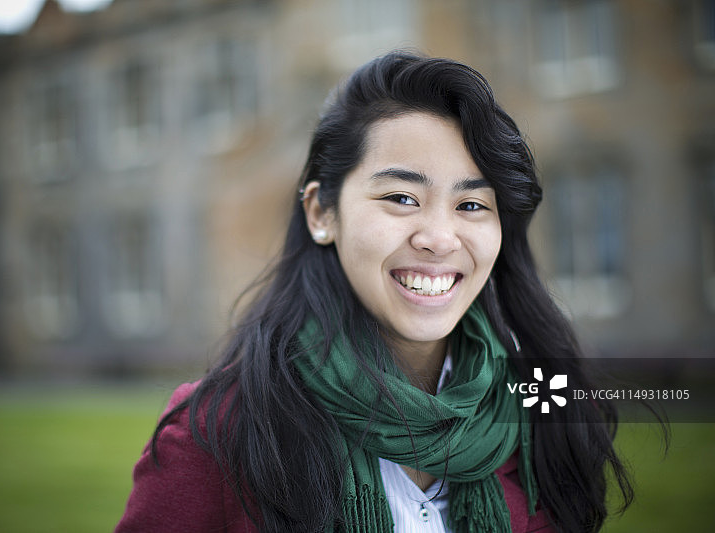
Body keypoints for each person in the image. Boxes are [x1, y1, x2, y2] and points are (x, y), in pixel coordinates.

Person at [115, 52, 634, 533]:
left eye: (473, 205)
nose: (438, 238)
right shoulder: (216, 430)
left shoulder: (540, 412)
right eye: (402, 197)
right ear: (322, 212)